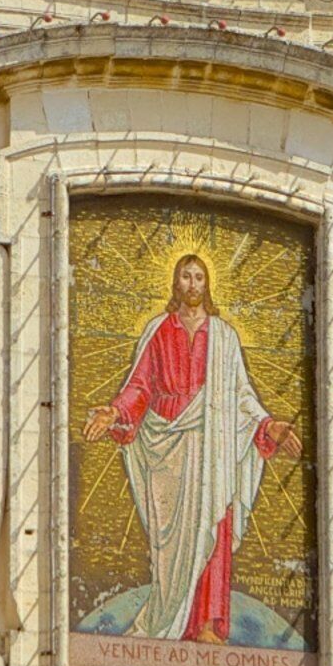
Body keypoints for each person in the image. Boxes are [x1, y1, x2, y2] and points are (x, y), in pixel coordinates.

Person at [84, 252, 302, 643]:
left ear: (207, 284)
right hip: (167, 447)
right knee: (171, 549)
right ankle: (171, 618)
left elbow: (241, 397)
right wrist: (114, 412)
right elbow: (140, 387)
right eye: (185, 276)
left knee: (214, 528)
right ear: (175, 283)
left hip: (212, 446)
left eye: (199, 277)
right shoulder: (158, 331)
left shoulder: (224, 337)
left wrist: (269, 425)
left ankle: (207, 625)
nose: (192, 284)